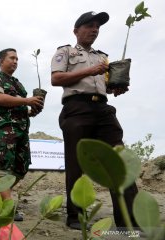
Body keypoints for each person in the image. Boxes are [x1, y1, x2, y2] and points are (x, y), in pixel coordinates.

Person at [50, 11, 138, 230]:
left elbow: (104, 84)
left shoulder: (102, 57)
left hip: (103, 109)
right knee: (75, 164)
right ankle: (75, 216)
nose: (95, 29)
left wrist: (116, 87)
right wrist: (91, 70)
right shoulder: (65, 52)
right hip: (76, 108)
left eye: (97, 26)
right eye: (89, 25)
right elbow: (56, 78)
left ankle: (129, 222)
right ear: (76, 31)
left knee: (119, 161)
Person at [0, 48, 44, 221]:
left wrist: (30, 110)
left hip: (22, 129)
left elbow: (20, 105)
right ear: (1, 60)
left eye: (17, 59)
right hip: (6, 129)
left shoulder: (18, 84)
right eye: (12, 58)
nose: (15, 61)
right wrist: (27, 101)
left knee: (21, 167)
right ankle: (7, 208)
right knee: (5, 167)